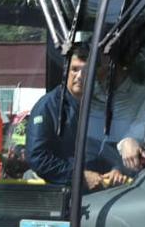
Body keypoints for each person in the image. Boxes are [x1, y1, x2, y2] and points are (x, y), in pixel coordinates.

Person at [26, 45, 130, 190]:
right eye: (74, 69)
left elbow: (112, 146)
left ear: (95, 74)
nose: (79, 76)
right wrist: (78, 176)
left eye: (86, 71)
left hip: (102, 191)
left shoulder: (102, 106)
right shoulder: (47, 107)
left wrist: (116, 168)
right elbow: (37, 157)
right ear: (66, 71)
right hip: (64, 194)